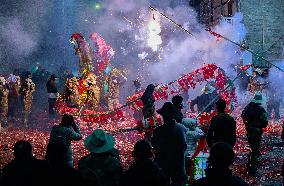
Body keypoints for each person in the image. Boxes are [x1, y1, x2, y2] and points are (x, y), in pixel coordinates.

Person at [151, 102, 187, 186]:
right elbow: (184, 146)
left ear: (163, 115)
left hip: (163, 167)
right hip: (178, 167)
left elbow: (154, 145)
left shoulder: (158, 131)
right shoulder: (182, 129)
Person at [241, 92, 268, 175]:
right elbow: (265, 123)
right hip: (257, 132)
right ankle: (252, 170)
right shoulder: (261, 110)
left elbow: (243, 115)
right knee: (255, 151)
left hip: (249, 131)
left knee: (252, 149)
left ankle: (249, 166)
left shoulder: (248, 108)